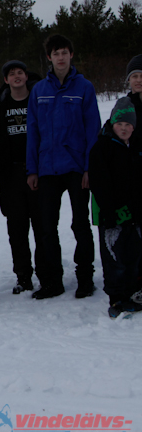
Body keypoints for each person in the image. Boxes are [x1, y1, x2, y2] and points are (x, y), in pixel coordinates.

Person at [26, 34, 100, 299]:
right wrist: (32, 169)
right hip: (47, 168)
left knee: (80, 224)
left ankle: (85, 278)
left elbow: (93, 130)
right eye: (56, 53)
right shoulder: (39, 90)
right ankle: (53, 281)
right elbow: (33, 132)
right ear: (49, 57)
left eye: (64, 52)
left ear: (71, 55)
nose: (60, 57)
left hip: (76, 167)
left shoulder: (84, 88)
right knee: (47, 227)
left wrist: (89, 168)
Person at [0, 61, 42, 294]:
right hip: (10, 177)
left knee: (44, 228)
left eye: (20, 73)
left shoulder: (39, 102)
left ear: (26, 76)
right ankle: (23, 276)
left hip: (38, 173)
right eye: (11, 74)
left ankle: (47, 274)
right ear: (6, 80)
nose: (16, 76)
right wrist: (1, 174)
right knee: (17, 230)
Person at [89, 98, 141, 317]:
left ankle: (131, 294)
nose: (124, 128)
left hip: (132, 214)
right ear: (112, 123)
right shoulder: (102, 147)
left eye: (128, 124)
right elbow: (99, 183)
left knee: (133, 255)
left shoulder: (134, 148)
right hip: (110, 214)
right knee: (114, 258)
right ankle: (116, 298)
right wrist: (108, 212)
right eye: (120, 123)